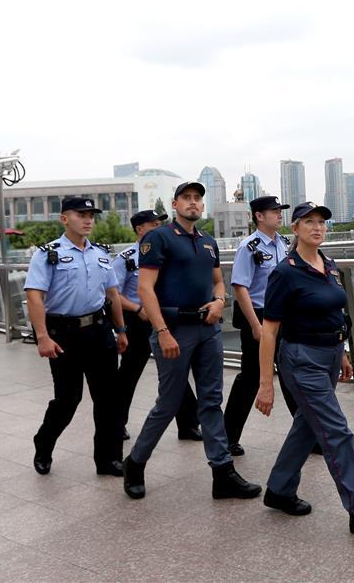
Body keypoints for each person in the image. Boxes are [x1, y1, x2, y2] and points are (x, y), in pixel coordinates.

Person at [254, 202, 354, 540]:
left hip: (331, 355)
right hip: (302, 359)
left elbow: (337, 314)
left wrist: (343, 352)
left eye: (321, 222)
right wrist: (265, 384)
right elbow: (269, 331)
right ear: (295, 229)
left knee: (307, 425)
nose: (317, 227)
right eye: (309, 222)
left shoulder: (328, 265)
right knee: (337, 431)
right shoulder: (285, 272)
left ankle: (279, 489)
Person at [122, 182, 261, 501]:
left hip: (207, 328)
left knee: (211, 401)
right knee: (169, 403)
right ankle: (136, 462)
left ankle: (222, 473)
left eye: (198, 198)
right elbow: (145, 289)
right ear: (175, 204)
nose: (194, 203)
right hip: (174, 328)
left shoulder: (208, 242)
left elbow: (217, 283)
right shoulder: (158, 238)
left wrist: (218, 301)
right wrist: (161, 331)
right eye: (187, 198)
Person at [25, 196, 128, 476]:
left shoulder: (100, 254)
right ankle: (43, 444)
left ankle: (108, 460)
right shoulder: (48, 253)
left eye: (91, 215)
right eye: (81, 214)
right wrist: (43, 337)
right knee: (68, 400)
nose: (88, 219)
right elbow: (34, 296)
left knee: (108, 399)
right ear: (64, 218)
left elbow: (113, 295)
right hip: (64, 336)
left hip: (99, 331)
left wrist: (120, 330)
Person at [112, 209, 202, 443]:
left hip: (166, 319)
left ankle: (188, 425)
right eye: (154, 224)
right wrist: (136, 308)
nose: (160, 228)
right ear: (140, 229)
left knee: (176, 372)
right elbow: (112, 294)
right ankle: (116, 423)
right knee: (128, 376)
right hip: (139, 321)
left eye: (161, 223)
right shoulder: (126, 258)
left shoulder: (168, 254)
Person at [224, 195, 301, 456]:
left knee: (292, 376)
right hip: (260, 317)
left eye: (281, 210)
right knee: (251, 379)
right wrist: (255, 325)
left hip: (285, 316)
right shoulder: (249, 246)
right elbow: (240, 287)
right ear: (259, 215)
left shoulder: (285, 244)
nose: (280, 214)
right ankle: (227, 437)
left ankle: (307, 435)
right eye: (274, 211)